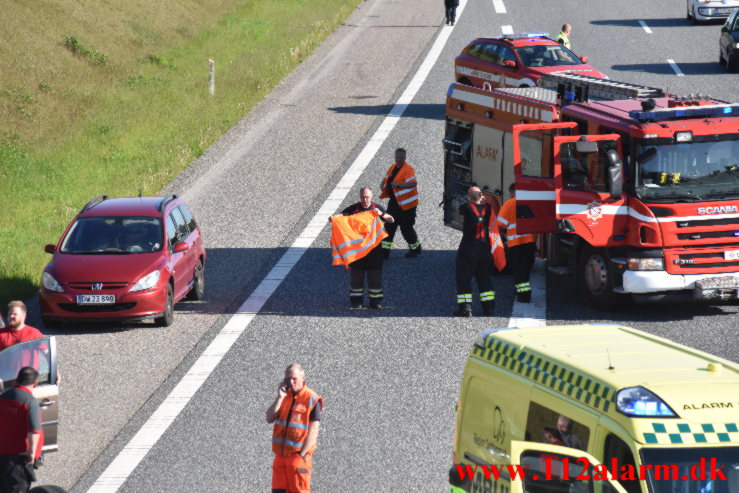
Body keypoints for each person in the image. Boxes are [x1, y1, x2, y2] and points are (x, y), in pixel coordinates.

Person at [332, 187, 394, 309]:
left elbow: (391, 219)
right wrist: (334, 217)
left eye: (367, 197)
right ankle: (356, 302)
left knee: (375, 277)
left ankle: (376, 302)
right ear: (360, 197)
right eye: (363, 197)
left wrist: (381, 214)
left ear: (371, 196)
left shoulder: (377, 208)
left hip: (374, 251)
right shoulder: (354, 209)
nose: (365, 199)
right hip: (358, 252)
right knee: (356, 277)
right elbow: (343, 215)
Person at [266, 364, 323, 493]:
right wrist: (280, 397)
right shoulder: (285, 396)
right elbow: (269, 418)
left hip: (297, 458)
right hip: (280, 458)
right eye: (287, 379)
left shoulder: (312, 399)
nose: (290, 382)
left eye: (294, 379)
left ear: (303, 377)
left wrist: (301, 455)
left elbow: (313, 431)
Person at [454, 187, 497, 317]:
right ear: (481, 196)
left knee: (464, 278)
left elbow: (459, 207)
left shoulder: (466, 208)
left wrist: (471, 199)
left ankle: (466, 309)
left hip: (468, 247)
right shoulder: (488, 209)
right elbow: (486, 203)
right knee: (484, 278)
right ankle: (488, 308)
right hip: (483, 248)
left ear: (469, 197)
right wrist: (481, 199)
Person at [0, 367, 42, 493]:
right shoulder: (30, 402)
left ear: (16, 380)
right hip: (17, 458)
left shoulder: (2, 397)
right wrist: (32, 452)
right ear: (35, 383)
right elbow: (34, 431)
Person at [497, 184, 537, 303]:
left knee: (519, 271)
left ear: (512, 192)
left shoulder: (509, 204)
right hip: (530, 242)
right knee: (526, 268)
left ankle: (524, 295)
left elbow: (500, 225)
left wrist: (502, 236)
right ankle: (519, 290)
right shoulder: (532, 203)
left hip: (516, 243)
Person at [380, 148, 422, 258]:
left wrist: (398, 185)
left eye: (401, 157)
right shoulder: (393, 167)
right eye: (397, 157)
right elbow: (386, 178)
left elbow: (413, 184)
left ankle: (415, 248)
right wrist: (383, 183)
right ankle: (384, 252)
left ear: (405, 158)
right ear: (395, 157)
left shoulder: (408, 170)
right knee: (389, 227)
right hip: (394, 204)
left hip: (407, 207)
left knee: (406, 229)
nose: (399, 159)